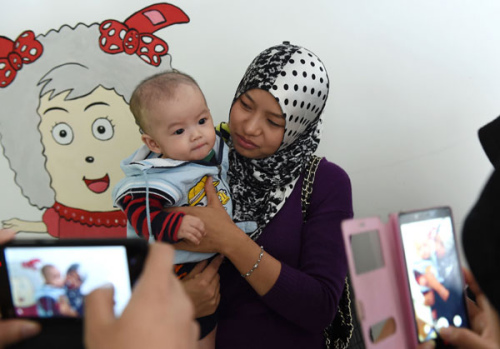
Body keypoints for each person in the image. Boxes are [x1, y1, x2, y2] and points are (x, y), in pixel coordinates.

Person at [173, 42, 353, 348]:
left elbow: (320, 307)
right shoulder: (199, 160)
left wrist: (230, 240)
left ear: (299, 126)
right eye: (245, 104)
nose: (250, 127)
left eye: (273, 122)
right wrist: (176, 299)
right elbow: (146, 254)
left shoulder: (326, 183)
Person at [112, 70, 231, 347]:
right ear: (153, 143)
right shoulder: (153, 177)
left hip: (208, 264)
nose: (197, 135)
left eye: (202, 120)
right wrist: (174, 225)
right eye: (179, 131)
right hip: (172, 273)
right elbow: (141, 217)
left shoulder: (210, 152)